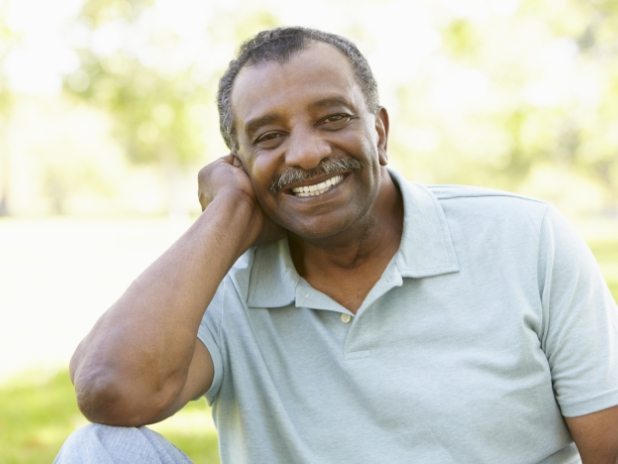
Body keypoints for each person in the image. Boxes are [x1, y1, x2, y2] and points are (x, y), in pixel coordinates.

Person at [55, 26, 618, 463]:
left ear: (379, 131)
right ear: (238, 164)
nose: (304, 153)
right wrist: (226, 215)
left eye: (333, 118)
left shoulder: (526, 239)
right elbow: (111, 392)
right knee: (96, 451)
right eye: (269, 137)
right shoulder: (219, 280)